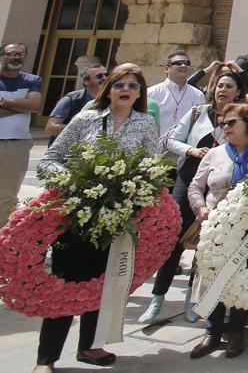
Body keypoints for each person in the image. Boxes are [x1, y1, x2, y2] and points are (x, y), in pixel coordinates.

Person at [36, 67, 160, 370]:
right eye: (119, 84)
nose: (126, 89)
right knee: (66, 285)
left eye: (133, 85)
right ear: (109, 89)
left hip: (118, 217)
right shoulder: (85, 119)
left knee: (105, 284)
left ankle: (91, 346)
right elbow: (50, 160)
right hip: (79, 216)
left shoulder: (145, 123)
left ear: (140, 92)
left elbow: (153, 164)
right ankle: (47, 358)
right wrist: (76, 180)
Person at [142, 69, 248, 325]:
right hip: (190, 176)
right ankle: (157, 296)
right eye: (219, 85)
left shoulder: (241, 117)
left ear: (238, 93)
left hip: (220, 182)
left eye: (228, 86)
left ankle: (194, 299)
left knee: (206, 241)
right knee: (177, 236)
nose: (222, 90)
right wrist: (191, 150)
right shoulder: (197, 113)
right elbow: (172, 141)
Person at [187, 103, 248, 359]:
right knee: (215, 277)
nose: (226, 127)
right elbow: (195, 186)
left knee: (242, 278)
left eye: (232, 122)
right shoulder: (214, 155)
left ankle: (237, 332)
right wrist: (201, 209)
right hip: (217, 227)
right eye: (223, 123)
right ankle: (212, 332)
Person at [0, 42, 42, 224]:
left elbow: (35, 105)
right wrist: (21, 106)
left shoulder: (32, 80)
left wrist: (3, 101)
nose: (16, 57)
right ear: (2, 55)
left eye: (20, 54)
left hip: (17, 144)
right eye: (11, 54)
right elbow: (28, 106)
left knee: (8, 195)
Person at [146, 50, 206, 141]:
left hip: (184, 149)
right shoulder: (151, 93)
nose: (183, 66)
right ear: (167, 69)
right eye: (178, 63)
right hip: (155, 148)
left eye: (187, 63)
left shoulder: (198, 95)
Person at [45, 63, 106, 140]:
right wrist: (85, 130)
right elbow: (51, 128)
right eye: (99, 76)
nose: (105, 78)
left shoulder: (112, 99)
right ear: (86, 81)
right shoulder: (71, 99)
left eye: (106, 74)